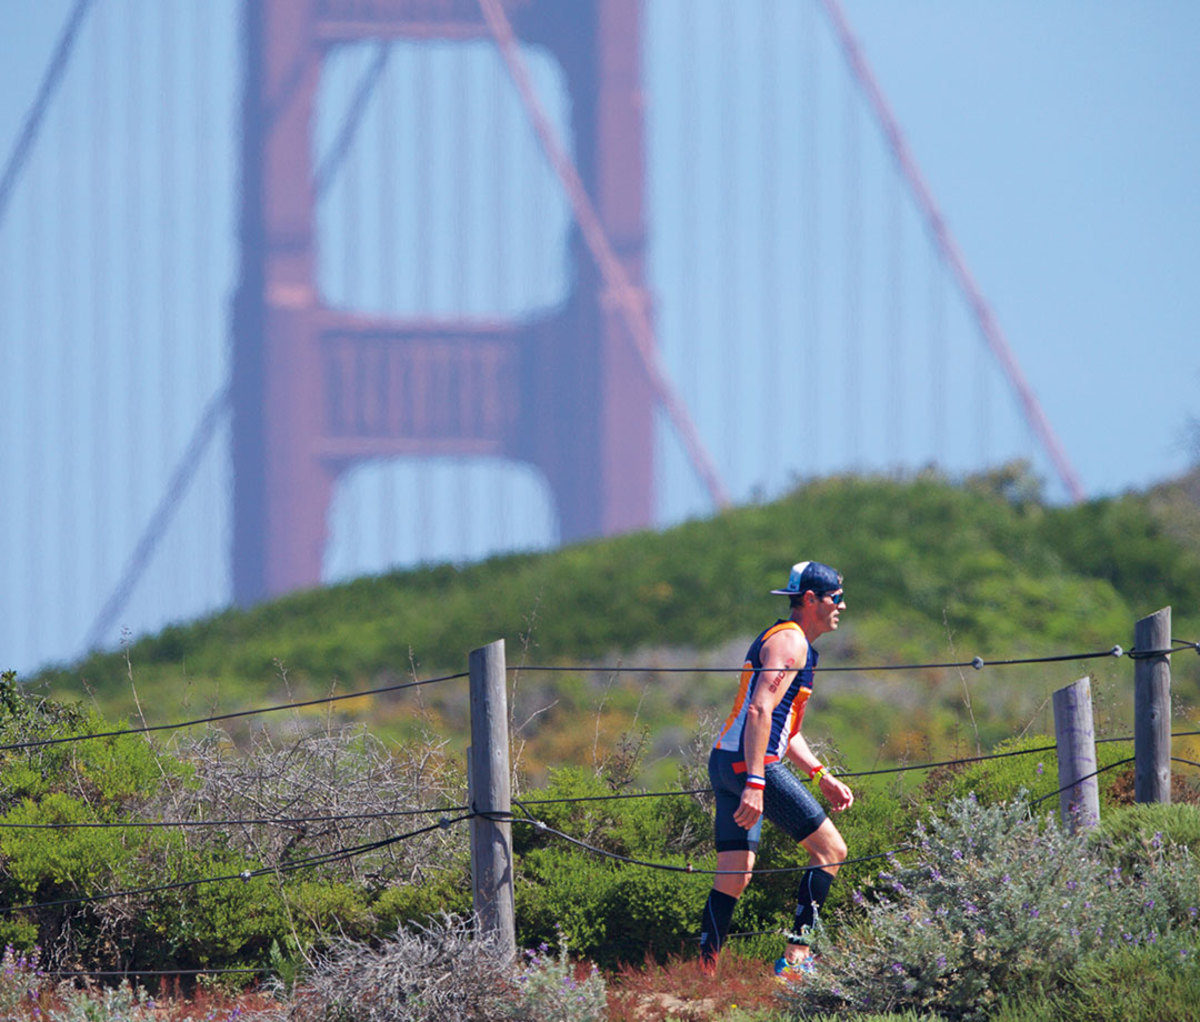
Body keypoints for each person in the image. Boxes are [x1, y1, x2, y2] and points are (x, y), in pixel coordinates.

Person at [698, 560, 855, 982]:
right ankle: (796, 961)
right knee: (830, 851)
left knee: (734, 875)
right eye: (835, 598)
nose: (842, 605)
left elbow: (786, 731)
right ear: (810, 600)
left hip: (726, 759)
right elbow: (760, 709)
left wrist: (822, 775)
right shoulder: (791, 642)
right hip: (751, 764)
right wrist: (754, 781)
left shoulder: (797, 644)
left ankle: (703, 972)